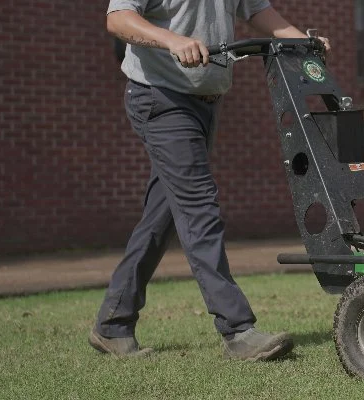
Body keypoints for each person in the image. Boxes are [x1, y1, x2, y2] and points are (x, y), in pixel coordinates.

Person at [91, 0, 330, 361]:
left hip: (206, 103)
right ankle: (237, 329)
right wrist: (172, 40)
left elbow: (257, 12)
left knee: (163, 216)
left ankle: (113, 323)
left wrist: (304, 43)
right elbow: (118, 18)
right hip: (161, 98)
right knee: (199, 208)